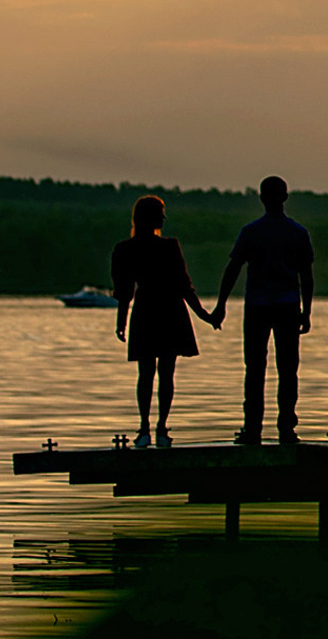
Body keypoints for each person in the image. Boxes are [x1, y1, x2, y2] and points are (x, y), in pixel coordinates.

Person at [211, 174, 314, 444]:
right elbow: (307, 276)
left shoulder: (251, 231)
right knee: (288, 369)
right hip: (288, 306)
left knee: (255, 368)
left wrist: (221, 304)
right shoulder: (298, 233)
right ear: (286, 197)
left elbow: (232, 269)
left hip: (257, 306)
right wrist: (307, 311)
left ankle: (253, 428)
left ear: (261, 198)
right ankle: (286, 429)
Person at [110, 193, 205, 446]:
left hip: (146, 311)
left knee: (146, 373)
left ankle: (146, 429)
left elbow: (124, 292)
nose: (164, 218)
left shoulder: (125, 249)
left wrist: (121, 322)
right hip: (169, 310)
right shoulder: (169, 246)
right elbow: (185, 286)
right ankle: (160, 429)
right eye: (160, 213)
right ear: (149, 217)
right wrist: (203, 314)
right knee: (166, 372)